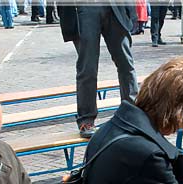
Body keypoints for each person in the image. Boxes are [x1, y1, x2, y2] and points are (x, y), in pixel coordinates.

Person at [58, 2, 138, 138]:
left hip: (114, 8)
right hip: (84, 9)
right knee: (88, 68)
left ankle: (133, 114)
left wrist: (131, 9)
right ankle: (86, 119)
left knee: (126, 64)